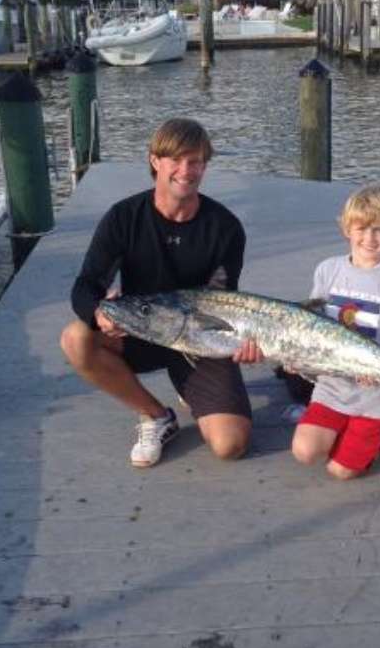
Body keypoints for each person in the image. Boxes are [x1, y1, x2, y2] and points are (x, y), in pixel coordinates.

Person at [60, 118, 262, 468]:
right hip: (141, 328)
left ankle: (191, 385)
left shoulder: (225, 227)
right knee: (76, 338)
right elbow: (86, 284)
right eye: (176, 160)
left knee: (230, 445)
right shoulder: (124, 217)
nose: (186, 171)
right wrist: (99, 313)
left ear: (205, 165)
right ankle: (155, 415)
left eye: (195, 161)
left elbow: (226, 298)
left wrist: (242, 343)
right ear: (155, 161)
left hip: (200, 339)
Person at [291, 185, 380, 480]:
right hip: (334, 386)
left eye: (379, 230)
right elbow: (311, 326)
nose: (369, 238)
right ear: (346, 230)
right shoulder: (327, 270)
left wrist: (375, 365)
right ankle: (346, 426)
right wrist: (296, 356)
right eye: (361, 228)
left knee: (340, 471)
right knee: (304, 451)